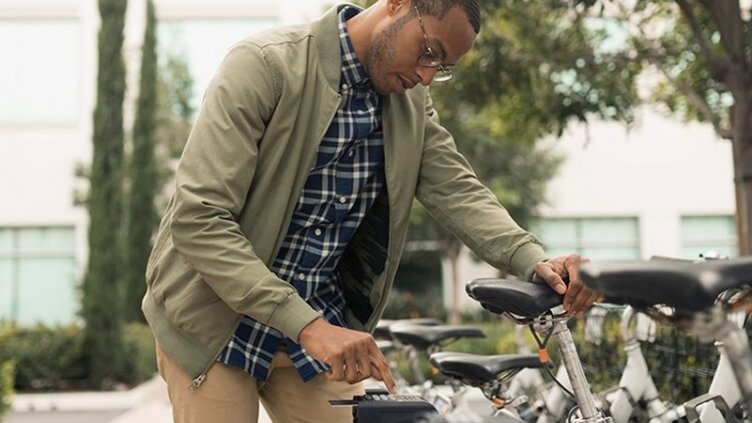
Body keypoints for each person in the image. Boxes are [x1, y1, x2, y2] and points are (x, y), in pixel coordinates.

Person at [141, 0, 601, 422]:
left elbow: (458, 190)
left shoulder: (410, 104)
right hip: (216, 323)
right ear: (397, 5)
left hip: (316, 327)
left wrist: (533, 259)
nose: (426, 76)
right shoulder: (265, 64)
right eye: (428, 51)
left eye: (442, 67)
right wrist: (308, 326)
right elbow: (199, 219)